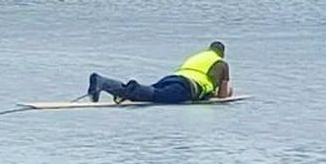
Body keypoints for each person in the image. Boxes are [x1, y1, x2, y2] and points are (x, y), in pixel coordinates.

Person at [87, 41, 232, 104]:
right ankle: (123, 87)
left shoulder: (198, 56)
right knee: (153, 96)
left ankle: (104, 83)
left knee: (145, 92)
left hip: (173, 79)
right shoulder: (221, 63)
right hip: (185, 88)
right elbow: (223, 96)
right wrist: (226, 94)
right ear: (222, 53)